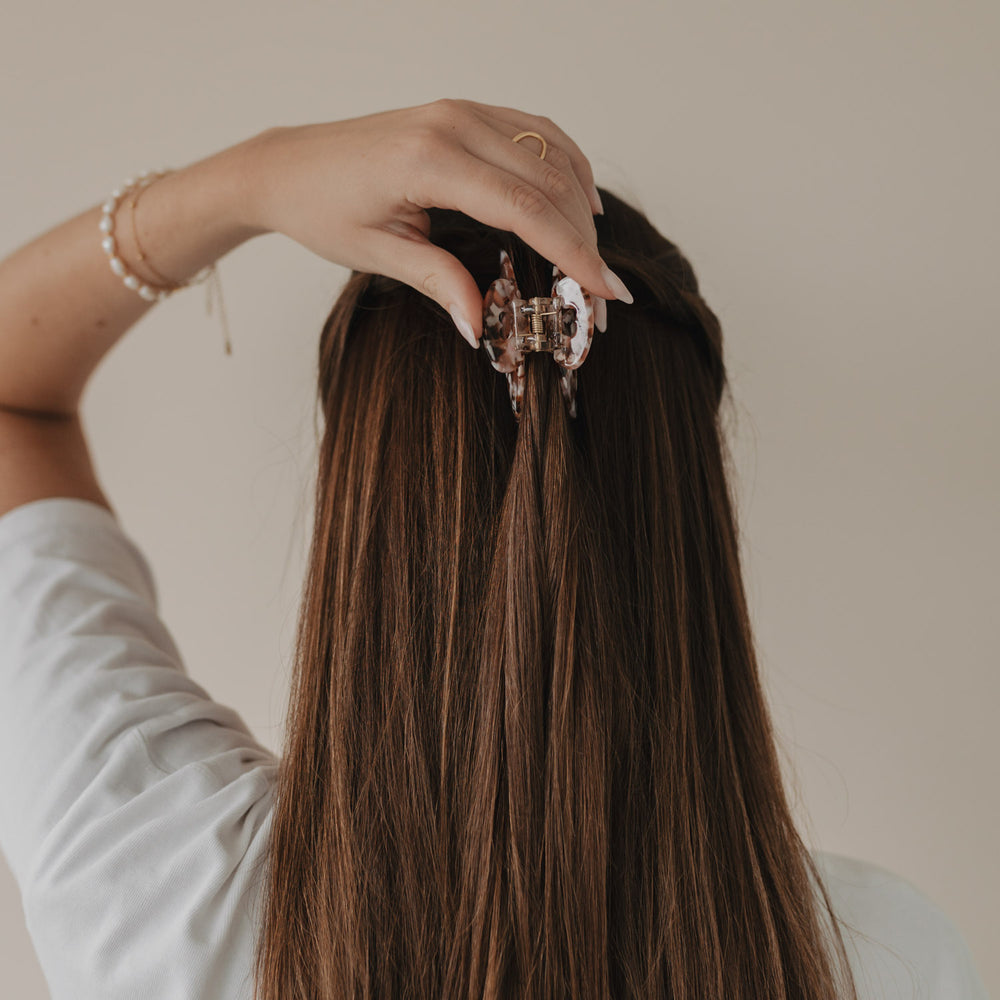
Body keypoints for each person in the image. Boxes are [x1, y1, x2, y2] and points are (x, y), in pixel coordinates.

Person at [0, 99, 987, 1000]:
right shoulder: (890, 957)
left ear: (361, 499)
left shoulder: (159, 884)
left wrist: (251, 180)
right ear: (688, 507)